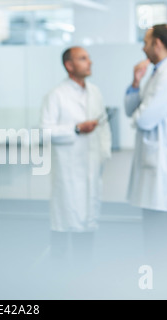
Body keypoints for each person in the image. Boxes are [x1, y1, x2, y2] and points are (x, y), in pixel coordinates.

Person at [124, 24, 167, 271]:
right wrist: (135, 82)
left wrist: (138, 115)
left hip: (163, 162)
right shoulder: (157, 73)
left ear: (158, 43)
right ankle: (159, 281)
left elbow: (144, 119)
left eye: (146, 41)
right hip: (154, 162)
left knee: (159, 231)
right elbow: (133, 110)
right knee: (153, 228)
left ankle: (164, 285)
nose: (143, 47)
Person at [40, 47, 112, 267]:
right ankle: (58, 276)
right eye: (83, 59)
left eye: (89, 58)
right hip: (68, 170)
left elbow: (103, 126)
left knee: (88, 220)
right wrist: (76, 129)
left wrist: (104, 155)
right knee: (65, 219)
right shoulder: (56, 95)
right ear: (69, 65)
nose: (89, 62)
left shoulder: (95, 92)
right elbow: (44, 131)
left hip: (91, 164)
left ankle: (83, 274)